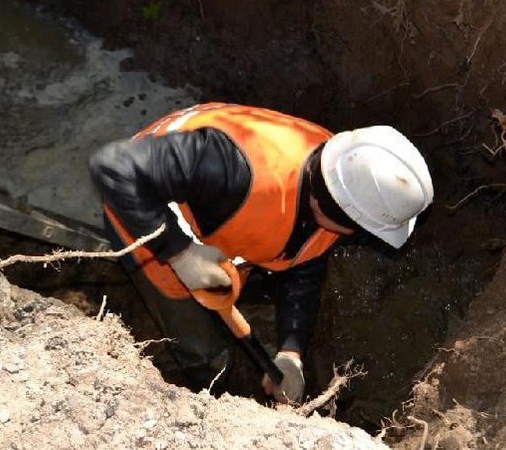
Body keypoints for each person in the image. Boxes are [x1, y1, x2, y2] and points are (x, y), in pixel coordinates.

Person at [88, 102, 433, 403]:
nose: (359, 235)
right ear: (337, 209)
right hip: (146, 213)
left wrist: (291, 350)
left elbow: (305, 267)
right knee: (201, 347)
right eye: (360, 227)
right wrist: (179, 253)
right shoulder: (228, 167)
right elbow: (113, 166)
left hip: (219, 225)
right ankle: (211, 389)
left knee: (245, 272)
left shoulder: (342, 175)